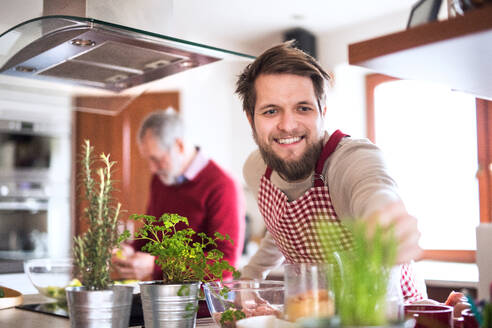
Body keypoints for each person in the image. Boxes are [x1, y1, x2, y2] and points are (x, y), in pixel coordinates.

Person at [234, 41, 449, 305]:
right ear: (250, 118)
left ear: (322, 112)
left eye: (303, 108)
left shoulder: (350, 159)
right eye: (270, 111)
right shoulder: (255, 170)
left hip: (392, 312)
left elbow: (376, 191)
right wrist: (249, 277)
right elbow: (279, 233)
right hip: (318, 315)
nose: (288, 125)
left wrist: (386, 220)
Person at [112, 109, 245, 281]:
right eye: (148, 160)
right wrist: (131, 250)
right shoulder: (161, 179)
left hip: (205, 304)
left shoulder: (222, 185)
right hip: (164, 298)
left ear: (179, 146)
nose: (152, 168)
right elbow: (152, 234)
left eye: (157, 159)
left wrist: (158, 265)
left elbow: (226, 263)